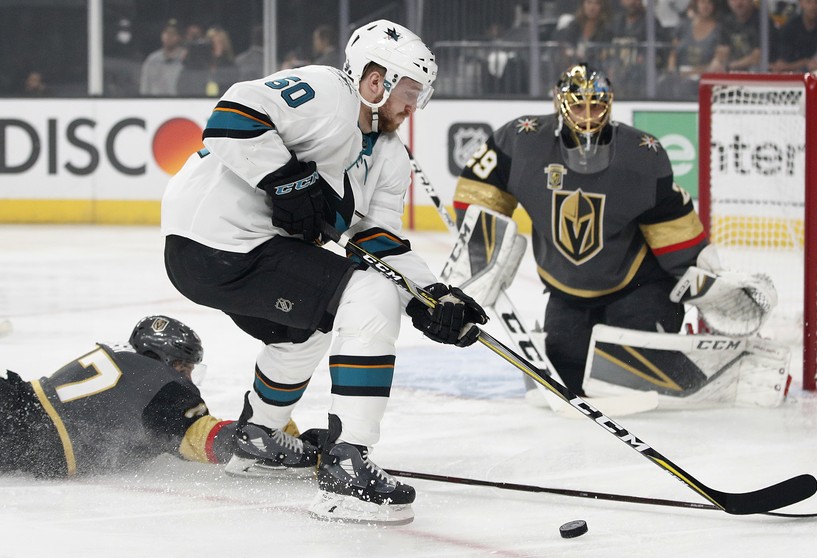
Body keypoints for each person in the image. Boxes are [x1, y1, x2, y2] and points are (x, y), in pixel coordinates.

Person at [161, 20, 486, 524]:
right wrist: (287, 179)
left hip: (237, 254)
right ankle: (346, 468)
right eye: (409, 92)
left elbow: (372, 238)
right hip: (216, 240)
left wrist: (431, 296)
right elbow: (230, 117)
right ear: (375, 80)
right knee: (369, 293)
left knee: (312, 323)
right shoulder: (327, 91)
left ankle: (257, 438)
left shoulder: (388, 154)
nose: (412, 107)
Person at [452, 63, 711, 398]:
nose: (587, 114)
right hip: (568, 293)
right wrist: (482, 250)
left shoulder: (641, 154)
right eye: (578, 105)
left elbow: (672, 226)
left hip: (637, 286)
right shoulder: (522, 141)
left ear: (609, 105)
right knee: (566, 379)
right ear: (561, 105)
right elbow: (477, 192)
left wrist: (706, 282)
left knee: (633, 379)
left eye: (596, 105)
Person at [0, 316, 301, 477]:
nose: (186, 376)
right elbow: (202, 438)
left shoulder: (126, 363)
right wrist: (261, 434)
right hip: (28, 432)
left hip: (19, 406)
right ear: (161, 358)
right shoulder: (160, 385)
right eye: (183, 366)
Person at [660, 0, 725, 100]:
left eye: (709, 3)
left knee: (688, 87)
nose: (706, 6)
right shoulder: (683, 25)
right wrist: (672, 70)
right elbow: (673, 53)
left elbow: (717, 63)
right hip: (680, 75)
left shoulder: (720, 30)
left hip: (704, 78)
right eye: (703, 2)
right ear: (696, 4)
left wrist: (691, 73)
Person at [552, 0, 614, 70]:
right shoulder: (574, 25)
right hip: (571, 68)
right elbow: (566, 44)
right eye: (589, 2)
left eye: (597, 3)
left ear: (602, 7)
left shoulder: (606, 30)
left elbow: (601, 56)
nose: (592, 7)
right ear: (583, 4)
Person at [716, 0, 777, 71]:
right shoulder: (727, 22)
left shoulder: (763, 21)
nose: (738, 3)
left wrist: (730, 66)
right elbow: (722, 52)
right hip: (733, 73)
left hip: (760, 75)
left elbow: (757, 57)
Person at [771, 0, 817, 73]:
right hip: (794, 74)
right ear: (801, 3)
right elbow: (783, 60)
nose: (813, 7)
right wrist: (802, 63)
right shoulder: (791, 25)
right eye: (808, 2)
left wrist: (805, 63)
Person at [139, 19, 186, 96]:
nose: (169, 37)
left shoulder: (185, 59)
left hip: (178, 104)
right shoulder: (152, 60)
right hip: (155, 104)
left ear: (179, 37)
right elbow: (145, 88)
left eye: (173, 34)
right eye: (166, 33)